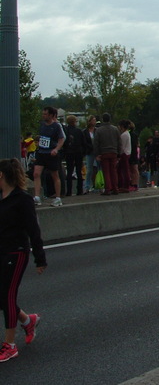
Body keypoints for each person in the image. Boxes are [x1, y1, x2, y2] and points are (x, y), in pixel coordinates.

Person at [0, 158, 47, 363]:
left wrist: (40, 258)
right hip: (1, 251)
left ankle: (10, 345)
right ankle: (28, 321)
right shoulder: (1, 197)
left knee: (7, 295)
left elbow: (33, 230)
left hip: (16, 252)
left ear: (2, 175)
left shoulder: (22, 199)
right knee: (1, 296)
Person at [32, 106, 66, 207]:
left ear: (51, 115)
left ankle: (58, 198)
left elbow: (62, 138)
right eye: (43, 114)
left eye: (45, 114)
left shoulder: (56, 126)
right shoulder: (42, 125)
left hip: (51, 153)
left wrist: (56, 149)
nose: (43, 116)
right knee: (36, 173)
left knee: (54, 175)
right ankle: (37, 197)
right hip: (41, 152)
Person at [93, 113, 121, 195]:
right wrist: (119, 153)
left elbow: (96, 143)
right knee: (114, 171)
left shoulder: (99, 130)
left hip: (104, 152)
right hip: (114, 152)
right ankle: (115, 188)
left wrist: (97, 154)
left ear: (103, 119)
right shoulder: (115, 129)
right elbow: (119, 142)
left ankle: (108, 189)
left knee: (106, 171)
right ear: (110, 119)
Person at [63, 114, 86, 196]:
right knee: (79, 171)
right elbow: (84, 143)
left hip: (69, 152)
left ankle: (69, 191)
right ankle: (79, 190)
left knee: (69, 172)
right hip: (78, 152)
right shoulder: (79, 131)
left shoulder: (66, 131)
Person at [83, 116, 97, 194]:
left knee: (97, 169)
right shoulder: (85, 132)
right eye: (93, 120)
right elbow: (84, 142)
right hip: (89, 152)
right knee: (89, 170)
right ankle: (87, 186)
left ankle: (97, 185)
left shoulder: (97, 131)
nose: (94, 122)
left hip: (96, 152)